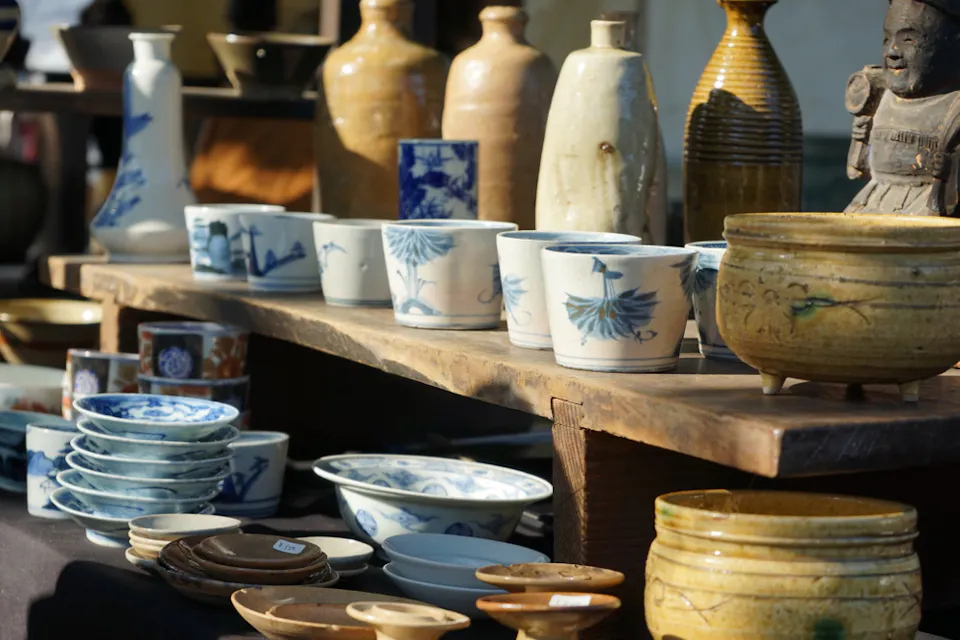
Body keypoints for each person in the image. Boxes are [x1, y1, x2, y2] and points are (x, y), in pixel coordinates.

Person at [845, 0, 960, 216]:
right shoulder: (881, 96)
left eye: (908, 40)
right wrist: (861, 137)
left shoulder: (954, 108)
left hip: (924, 206)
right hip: (873, 201)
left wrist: (949, 171)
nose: (892, 51)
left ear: (952, 44)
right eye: (886, 39)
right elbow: (858, 170)